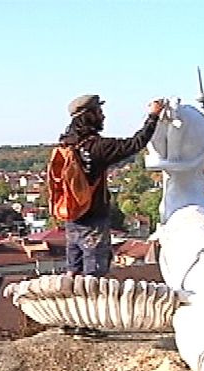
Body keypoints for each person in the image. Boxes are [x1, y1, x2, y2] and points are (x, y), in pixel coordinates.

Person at [58, 94, 163, 338]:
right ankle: (87, 325)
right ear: (89, 115)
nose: (103, 116)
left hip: (72, 217)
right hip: (93, 219)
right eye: (99, 111)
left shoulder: (66, 144)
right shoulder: (97, 147)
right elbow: (134, 144)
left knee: (73, 272)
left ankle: (69, 319)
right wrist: (153, 116)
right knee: (93, 274)